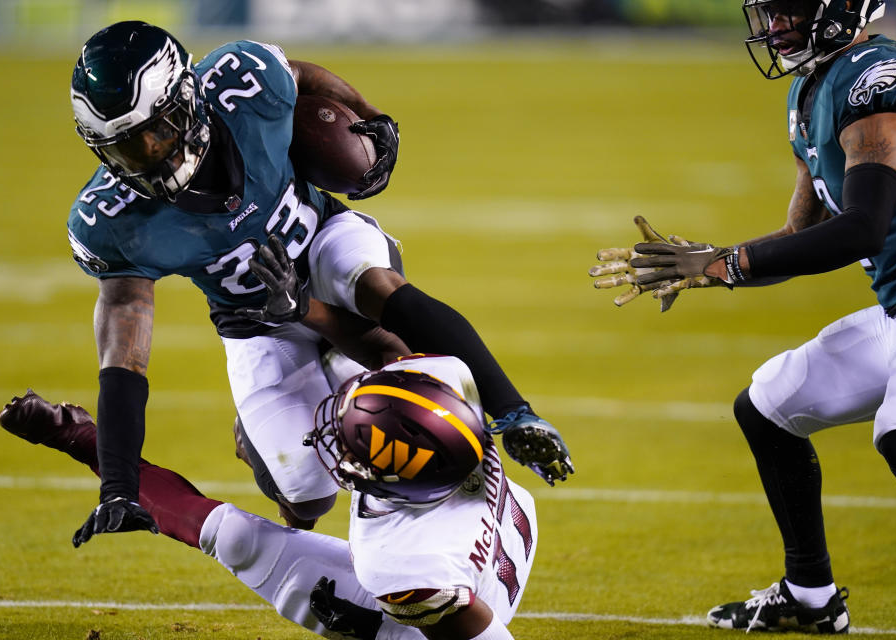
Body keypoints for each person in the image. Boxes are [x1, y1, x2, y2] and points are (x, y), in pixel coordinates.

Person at [66, 21, 573, 541]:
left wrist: (372, 117)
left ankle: (515, 413)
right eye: (128, 148)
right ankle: (255, 439)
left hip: (322, 237)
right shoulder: (112, 221)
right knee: (307, 496)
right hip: (255, 319)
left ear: (189, 100)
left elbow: (301, 75)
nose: (152, 152)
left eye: (160, 128)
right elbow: (124, 361)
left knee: (382, 313)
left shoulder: (245, 83)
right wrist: (119, 487)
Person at [589, 0, 896, 633]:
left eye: (792, 9)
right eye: (769, 10)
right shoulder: (812, 88)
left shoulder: (874, 78)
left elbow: (863, 227)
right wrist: (711, 267)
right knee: (769, 403)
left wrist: (728, 263)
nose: (774, 25)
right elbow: (798, 235)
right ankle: (811, 598)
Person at [0, 353, 534, 640]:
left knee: (235, 538)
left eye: (351, 451)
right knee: (355, 371)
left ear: (392, 479)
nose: (333, 443)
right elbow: (389, 359)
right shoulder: (447, 397)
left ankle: (81, 438)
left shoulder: (399, 566)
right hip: (469, 545)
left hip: (440, 618)